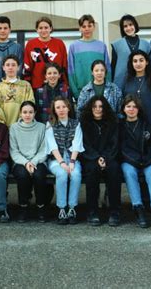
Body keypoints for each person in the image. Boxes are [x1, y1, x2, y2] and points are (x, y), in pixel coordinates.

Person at [119, 94, 151, 228]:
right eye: (128, 106)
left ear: (139, 109)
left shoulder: (148, 125)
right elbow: (120, 148)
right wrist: (135, 160)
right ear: (123, 109)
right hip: (129, 161)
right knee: (128, 171)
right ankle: (138, 208)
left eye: (134, 107)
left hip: (147, 160)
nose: (131, 109)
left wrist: (147, 160)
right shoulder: (119, 126)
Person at [80, 96, 121, 226]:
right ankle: (92, 211)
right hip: (91, 157)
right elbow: (85, 144)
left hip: (109, 157)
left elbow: (114, 143)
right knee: (92, 171)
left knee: (114, 170)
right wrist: (97, 158)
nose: (98, 109)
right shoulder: (84, 123)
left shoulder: (112, 122)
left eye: (101, 106)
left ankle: (115, 212)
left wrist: (105, 157)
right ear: (90, 108)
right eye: (94, 106)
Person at [45, 96, 83, 225]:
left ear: (68, 108)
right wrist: (62, 163)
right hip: (57, 160)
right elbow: (53, 147)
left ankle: (72, 208)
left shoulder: (76, 124)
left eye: (63, 107)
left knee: (76, 174)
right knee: (61, 174)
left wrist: (71, 162)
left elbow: (77, 144)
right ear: (54, 110)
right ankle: (62, 208)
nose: (61, 110)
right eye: (58, 107)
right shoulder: (50, 125)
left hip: (72, 158)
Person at [10, 101, 48, 223]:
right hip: (20, 162)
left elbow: (43, 150)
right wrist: (26, 163)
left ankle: (41, 207)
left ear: (35, 113)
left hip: (38, 160)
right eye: (25, 112)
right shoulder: (14, 128)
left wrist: (34, 161)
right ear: (20, 113)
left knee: (39, 175)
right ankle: (23, 207)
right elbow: (14, 151)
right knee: (22, 175)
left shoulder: (42, 127)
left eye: (30, 112)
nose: (27, 115)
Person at [122, 50, 151, 135]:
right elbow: (123, 104)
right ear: (131, 63)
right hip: (131, 128)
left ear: (147, 62)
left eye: (141, 60)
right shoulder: (127, 81)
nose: (138, 64)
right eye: (135, 61)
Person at [68, 14, 111, 100]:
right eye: (84, 26)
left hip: (101, 90)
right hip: (81, 92)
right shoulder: (74, 46)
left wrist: (107, 89)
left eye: (89, 26)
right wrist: (75, 92)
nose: (87, 29)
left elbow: (108, 69)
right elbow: (70, 71)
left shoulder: (101, 46)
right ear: (80, 28)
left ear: (94, 27)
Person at [24, 16, 68, 89]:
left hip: (57, 85)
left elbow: (64, 65)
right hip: (37, 86)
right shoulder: (30, 44)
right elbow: (27, 66)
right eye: (40, 28)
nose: (43, 30)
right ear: (37, 29)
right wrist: (28, 85)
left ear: (50, 28)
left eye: (46, 27)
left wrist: (65, 84)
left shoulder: (59, 43)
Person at [0, 54, 35, 127]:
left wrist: (21, 122)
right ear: (3, 68)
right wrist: (1, 123)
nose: (10, 67)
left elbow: (30, 104)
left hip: (21, 126)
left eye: (13, 65)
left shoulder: (26, 86)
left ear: (18, 67)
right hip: (2, 127)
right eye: (7, 65)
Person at [111, 14, 151, 89]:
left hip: (142, 82)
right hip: (120, 82)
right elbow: (113, 66)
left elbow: (149, 66)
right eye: (125, 26)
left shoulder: (146, 45)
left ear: (135, 25)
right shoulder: (116, 44)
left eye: (130, 24)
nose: (128, 28)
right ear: (122, 29)